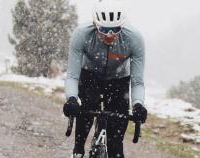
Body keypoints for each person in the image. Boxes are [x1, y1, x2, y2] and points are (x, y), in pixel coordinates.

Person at [63, 0, 147, 157]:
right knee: (83, 120)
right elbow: (73, 76)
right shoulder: (81, 34)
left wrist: (138, 105)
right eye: (104, 30)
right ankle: (78, 150)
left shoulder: (134, 39)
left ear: (122, 25)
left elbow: (137, 82)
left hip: (119, 81)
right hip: (90, 77)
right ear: (95, 24)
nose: (110, 36)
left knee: (116, 147)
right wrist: (72, 99)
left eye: (115, 30)